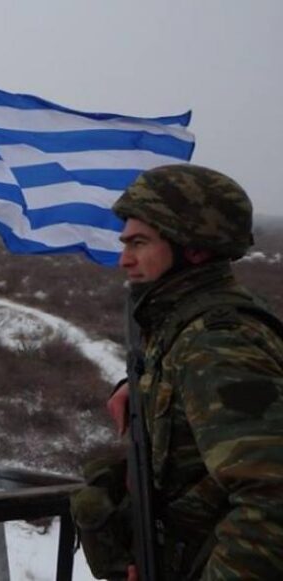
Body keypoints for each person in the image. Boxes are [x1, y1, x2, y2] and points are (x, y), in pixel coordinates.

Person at [71, 164, 283, 580]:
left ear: (195, 249)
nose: (124, 259)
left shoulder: (216, 344)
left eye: (140, 243)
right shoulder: (185, 323)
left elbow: (272, 497)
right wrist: (143, 389)